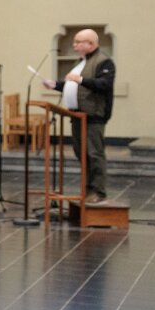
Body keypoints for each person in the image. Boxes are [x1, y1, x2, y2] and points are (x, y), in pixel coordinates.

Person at [43, 28, 115, 203]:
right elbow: (73, 86)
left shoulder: (104, 62)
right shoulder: (81, 62)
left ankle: (98, 192)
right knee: (81, 153)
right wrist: (56, 85)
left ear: (90, 44)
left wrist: (80, 79)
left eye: (78, 42)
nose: (74, 45)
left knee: (94, 154)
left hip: (93, 116)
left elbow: (104, 84)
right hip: (77, 116)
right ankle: (87, 189)